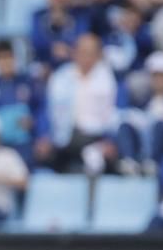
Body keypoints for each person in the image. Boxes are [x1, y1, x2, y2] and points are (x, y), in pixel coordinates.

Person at [37, 33, 119, 173]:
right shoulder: (60, 77)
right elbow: (47, 110)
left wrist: (110, 139)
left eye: (91, 53)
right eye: (82, 52)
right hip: (63, 135)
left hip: (97, 135)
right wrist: (44, 136)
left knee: (109, 156)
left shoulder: (109, 79)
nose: (86, 57)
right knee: (45, 154)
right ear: (74, 52)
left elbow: (115, 113)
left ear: (99, 55)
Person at [30, 0, 92, 74]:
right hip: (46, 66)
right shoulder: (38, 16)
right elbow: (36, 42)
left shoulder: (79, 16)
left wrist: (68, 50)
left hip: (74, 67)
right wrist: (52, 48)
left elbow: (82, 41)